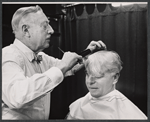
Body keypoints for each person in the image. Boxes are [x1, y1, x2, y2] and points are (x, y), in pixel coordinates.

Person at [2, 5, 106, 120]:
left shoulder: (41, 57)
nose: (51, 30)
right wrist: (63, 66)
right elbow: (17, 97)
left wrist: (87, 54)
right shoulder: (7, 56)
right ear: (26, 30)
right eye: (45, 26)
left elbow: (68, 67)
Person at [67, 50, 147, 120]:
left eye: (98, 76)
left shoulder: (130, 115)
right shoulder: (77, 106)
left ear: (115, 78)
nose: (90, 81)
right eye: (88, 74)